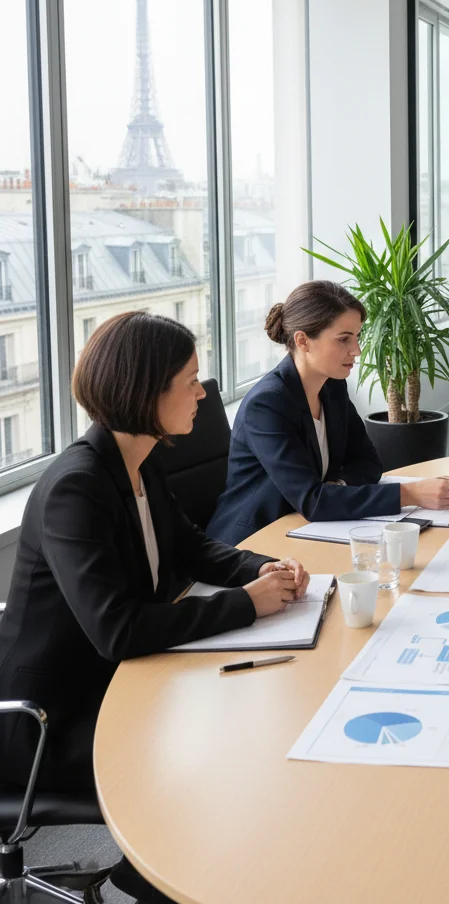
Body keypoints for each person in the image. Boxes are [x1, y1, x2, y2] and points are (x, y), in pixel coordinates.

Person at [0, 312, 308, 904]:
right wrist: (245, 606)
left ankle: (154, 875)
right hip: (48, 720)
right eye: (190, 380)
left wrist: (257, 569)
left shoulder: (138, 462)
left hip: (119, 685)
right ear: (147, 392)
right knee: (218, 756)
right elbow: (117, 630)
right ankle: (166, 882)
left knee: (244, 716)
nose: (202, 391)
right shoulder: (77, 487)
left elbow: (189, 544)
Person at [207, 281, 449, 546]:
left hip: (308, 528)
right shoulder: (267, 404)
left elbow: (368, 462)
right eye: (344, 339)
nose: (356, 350)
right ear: (303, 341)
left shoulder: (331, 386)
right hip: (253, 541)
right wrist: (410, 493)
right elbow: (313, 500)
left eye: (357, 337)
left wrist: (337, 489)